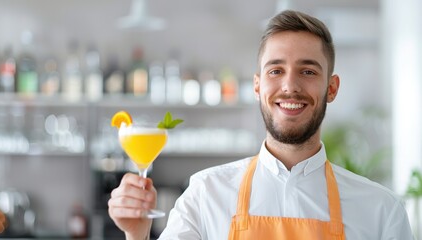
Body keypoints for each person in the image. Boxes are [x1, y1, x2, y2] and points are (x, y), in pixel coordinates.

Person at [108, 10, 414, 240]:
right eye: (275, 70)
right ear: (257, 86)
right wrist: (137, 235)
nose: (289, 86)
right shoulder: (205, 194)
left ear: (331, 88)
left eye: (308, 71)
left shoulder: (381, 211)